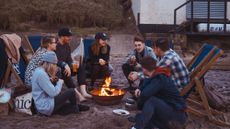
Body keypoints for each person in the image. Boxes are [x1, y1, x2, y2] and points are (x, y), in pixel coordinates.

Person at [130, 56, 187, 129]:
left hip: (178, 116)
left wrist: (139, 105)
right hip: (169, 111)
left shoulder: (160, 78)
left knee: (152, 101)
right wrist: (139, 88)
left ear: (144, 69)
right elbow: (147, 81)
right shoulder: (156, 73)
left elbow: (144, 95)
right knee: (142, 117)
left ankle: (137, 128)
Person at [31, 51, 89, 116]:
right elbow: (53, 93)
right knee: (71, 91)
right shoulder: (41, 74)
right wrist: (59, 82)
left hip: (42, 106)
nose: (55, 66)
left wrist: (51, 80)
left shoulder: (38, 71)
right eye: (54, 64)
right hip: (46, 106)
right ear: (49, 63)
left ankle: (75, 108)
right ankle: (75, 108)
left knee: (70, 107)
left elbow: (43, 87)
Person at [55, 28, 92, 99]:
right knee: (65, 71)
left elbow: (69, 59)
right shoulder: (55, 46)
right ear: (62, 37)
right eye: (68, 36)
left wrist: (73, 63)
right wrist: (65, 65)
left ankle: (84, 92)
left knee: (80, 67)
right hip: (58, 70)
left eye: (70, 36)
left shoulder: (67, 46)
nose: (70, 38)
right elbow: (55, 61)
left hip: (68, 67)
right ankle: (77, 95)